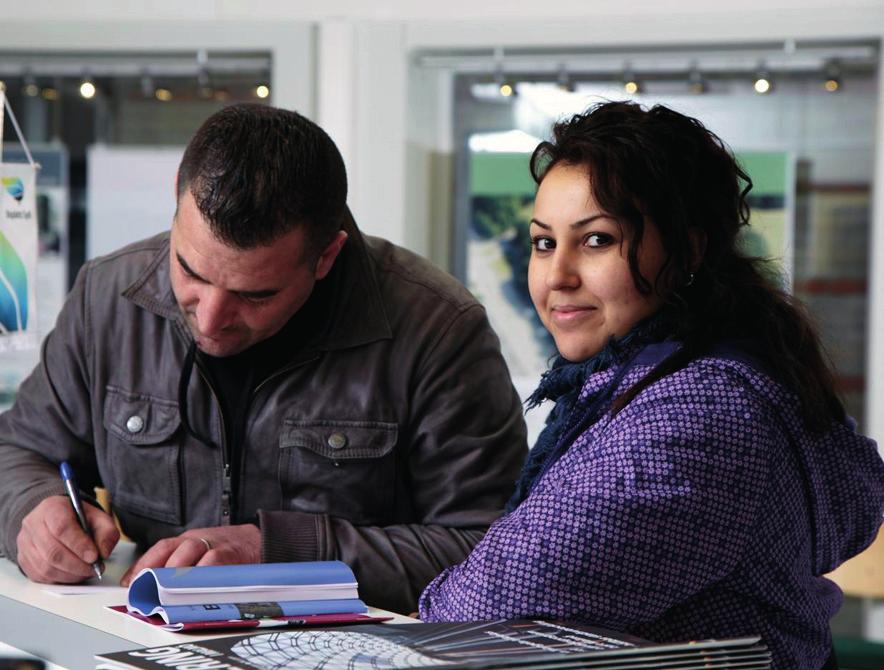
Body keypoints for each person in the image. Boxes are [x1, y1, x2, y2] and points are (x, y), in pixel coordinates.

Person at [0, 103, 527, 614]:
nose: (209, 320)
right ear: (176, 196)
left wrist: (282, 554)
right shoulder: (107, 296)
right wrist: (33, 505)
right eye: (190, 272)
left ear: (326, 256)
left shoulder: (438, 330)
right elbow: (18, 449)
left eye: (255, 295)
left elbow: (494, 552)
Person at [418, 101, 884, 668]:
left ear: (688, 250)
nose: (557, 275)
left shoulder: (698, 412)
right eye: (544, 242)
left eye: (596, 240)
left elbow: (476, 610)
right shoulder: (695, 369)